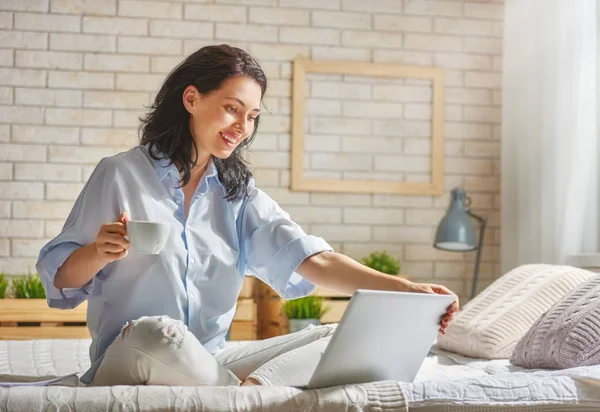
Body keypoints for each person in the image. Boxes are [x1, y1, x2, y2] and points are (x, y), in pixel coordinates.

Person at [36, 44, 459, 387]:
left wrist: (407, 289)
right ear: (191, 98)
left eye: (252, 116)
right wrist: (98, 251)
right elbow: (61, 279)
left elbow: (314, 260)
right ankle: (243, 396)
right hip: (132, 356)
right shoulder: (120, 174)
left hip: (209, 360)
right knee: (157, 331)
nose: (242, 126)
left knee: (332, 337)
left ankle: (244, 395)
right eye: (232, 108)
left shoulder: (238, 194)